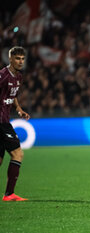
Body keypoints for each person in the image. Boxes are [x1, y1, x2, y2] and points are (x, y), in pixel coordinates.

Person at [0, 46, 30, 201]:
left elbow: (13, 95)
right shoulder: (3, 76)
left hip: (5, 120)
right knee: (18, 153)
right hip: (1, 123)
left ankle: (9, 194)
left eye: (22, 59)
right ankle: (9, 194)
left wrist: (18, 109)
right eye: (17, 58)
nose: (20, 61)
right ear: (10, 59)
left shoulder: (18, 77)